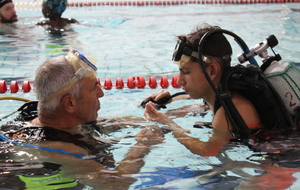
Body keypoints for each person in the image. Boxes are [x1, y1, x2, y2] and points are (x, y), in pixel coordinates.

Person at [0, 48, 164, 189]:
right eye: (93, 88)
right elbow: (115, 184)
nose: (101, 93)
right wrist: (142, 146)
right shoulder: (61, 151)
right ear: (70, 103)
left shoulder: (45, 120)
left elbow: (113, 123)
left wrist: (154, 109)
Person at [143, 23, 261, 157]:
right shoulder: (221, 94)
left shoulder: (228, 112)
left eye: (186, 72)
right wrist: (169, 99)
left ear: (212, 70)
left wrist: (169, 124)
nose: (179, 81)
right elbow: (200, 105)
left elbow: (208, 151)